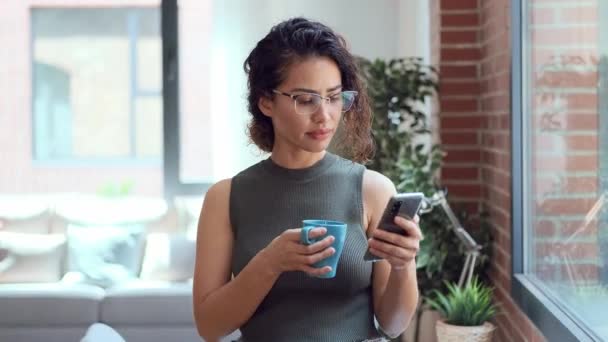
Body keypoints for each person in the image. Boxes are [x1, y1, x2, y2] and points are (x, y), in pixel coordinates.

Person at [193, 17, 422, 342]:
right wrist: (271, 262)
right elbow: (209, 327)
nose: (324, 115)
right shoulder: (226, 197)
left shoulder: (372, 190)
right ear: (266, 101)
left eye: (333, 97)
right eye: (305, 99)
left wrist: (403, 266)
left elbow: (393, 324)